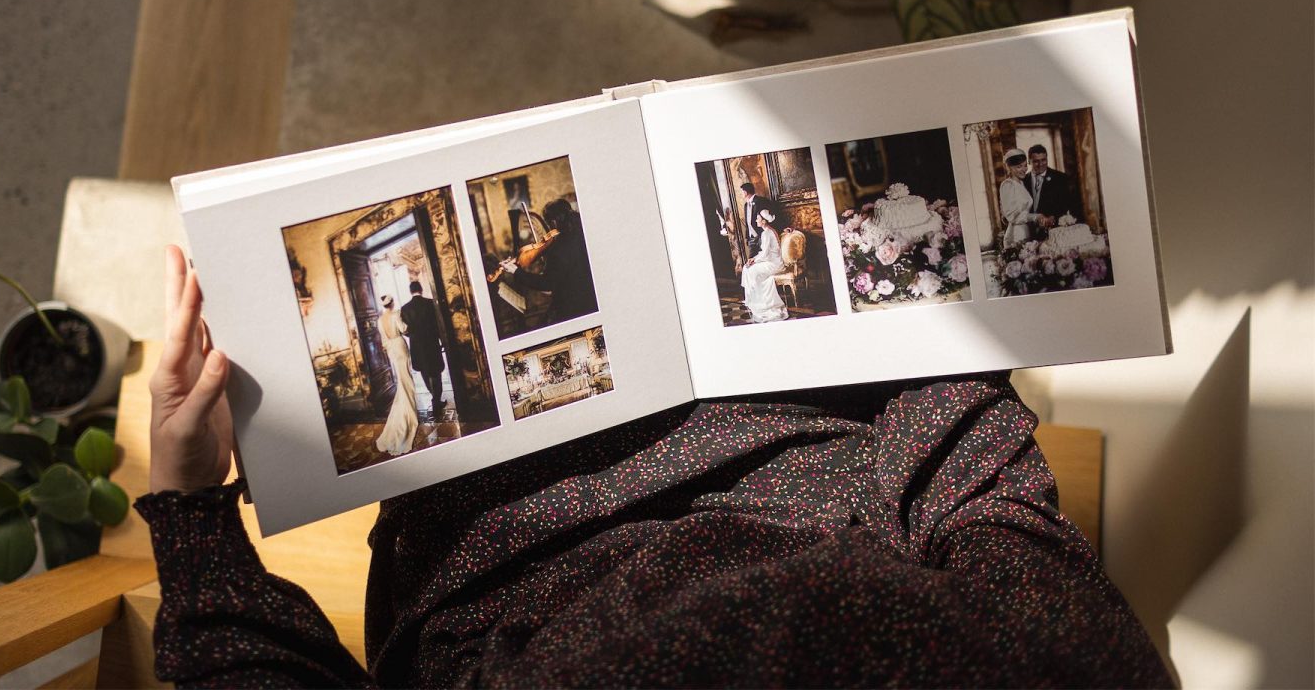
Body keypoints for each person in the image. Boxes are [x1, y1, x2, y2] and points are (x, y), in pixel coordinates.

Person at [140, 246, 1171, 688]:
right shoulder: (1054, 673)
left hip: (484, 510)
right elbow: (979, 475)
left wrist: (192, 511)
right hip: (799, 428)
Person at [502, 198, 597, 327]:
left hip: (572, 308)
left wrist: (515, 271)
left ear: (553, 221)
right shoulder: (584, 233)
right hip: (592, 300)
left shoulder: (559, 248)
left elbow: (547, 283)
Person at [374, 294, 418, 457]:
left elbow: (384, 340)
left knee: (401, 378)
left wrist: (389, 347)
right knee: (407, 377)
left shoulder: (379, 320)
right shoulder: (396, 314)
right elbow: (404, 329)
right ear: (391, 304)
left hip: (392, 349)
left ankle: (404, 403)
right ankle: (408, 410)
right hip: (399, 345)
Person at [399, 280, 446, 416]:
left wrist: (412, 337)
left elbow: (406, 331)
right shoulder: (430, 303)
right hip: (431, 342)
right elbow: (437, 325)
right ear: (421, 289)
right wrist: (441, 340)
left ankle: (434, 397)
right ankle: (436, 399)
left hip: (417, 346)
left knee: (424, 371)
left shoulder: (405, 308)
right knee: (436, 371)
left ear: (410, 291)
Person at [740, 209, 789, 323]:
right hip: (772, 261)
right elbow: (764, 253)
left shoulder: (766, 233)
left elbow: (765, 254)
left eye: (758, 219)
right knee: (747, 268)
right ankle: (752, 298)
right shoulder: (769, 231)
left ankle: (759, 302)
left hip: (774, 264)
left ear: (764, 221)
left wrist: (754, 260)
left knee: (751, 270)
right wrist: (754, 259)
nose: (756, 220)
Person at [999, 148, 1052, 249]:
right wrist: (1036, 217)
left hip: (1026, 233)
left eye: (1025, 165)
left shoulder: (1021, 183)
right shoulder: (1007, 185)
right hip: (1015, 236)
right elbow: (1012, 216)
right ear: (1009, 168)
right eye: (1019, 167)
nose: (1024, 169)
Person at [1025, 144, 1081, 225]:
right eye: (1036, 161)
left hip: (1052, 228)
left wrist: (1054, 217)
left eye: (1043, 160)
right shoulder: (1023, 181)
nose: (1040, 164)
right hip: (1028, 229)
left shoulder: (1060, 178)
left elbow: (1067, 204)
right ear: (1029, 161)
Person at [738, 181, 779, 257]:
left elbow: (771, 218)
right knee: (751, 260)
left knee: (762, 258)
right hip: (751, 239)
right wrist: (747, 237)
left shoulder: (761, 201)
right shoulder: (746, 205)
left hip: (762, 237)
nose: (741, 194)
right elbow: (748, 222)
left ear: (745, 192)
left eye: (741, 192)